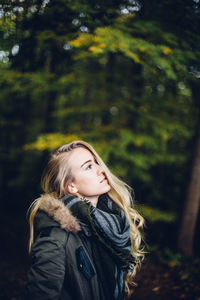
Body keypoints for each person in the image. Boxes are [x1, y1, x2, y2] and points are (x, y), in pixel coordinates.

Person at [23, 140, 144, 300]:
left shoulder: (109, 222)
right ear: (72, 186)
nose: (101, 170)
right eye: (88, 166)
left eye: (95, 163)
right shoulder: (56, 236)